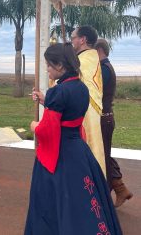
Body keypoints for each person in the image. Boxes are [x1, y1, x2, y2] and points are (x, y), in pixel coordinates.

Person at [25, 43, 122, 235]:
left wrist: (34, 126)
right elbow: (69, 112)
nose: (47, 69)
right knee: (85, 198)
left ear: (60, 65)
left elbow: (47, 130)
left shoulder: (58, 91)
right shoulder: (81, 88)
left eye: (49, 65)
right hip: (78, 150)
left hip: (60, 153)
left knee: (56, 203)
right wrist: (46, 100)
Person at [95, 38, 133, 207]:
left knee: (102, 156)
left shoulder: (103, 69)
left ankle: (110, 194)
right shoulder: (105, 67)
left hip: (103, 119)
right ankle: (120, 189)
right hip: (105, 118)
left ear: (99, 51)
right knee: (103, 154)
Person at [71, 25, 106, 175]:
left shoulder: (84, 60)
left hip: (86, 112)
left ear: (82, 40)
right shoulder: (88, 58)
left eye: (73, 38)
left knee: (88, 153)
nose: (71, 41)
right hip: (87, 110)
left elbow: (70, 81)